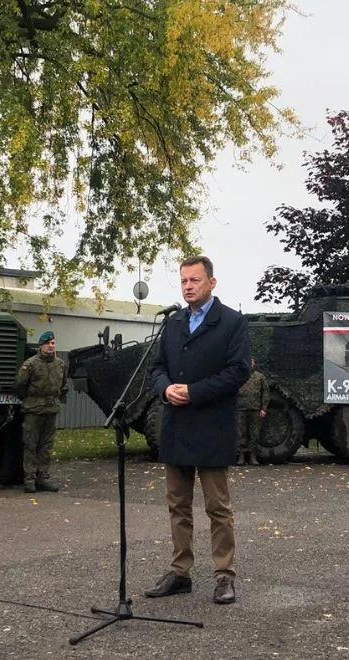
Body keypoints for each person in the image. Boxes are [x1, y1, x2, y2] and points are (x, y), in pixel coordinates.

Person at [145, 255, 250, 605]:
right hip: (176, 426)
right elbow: (157, 367)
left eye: (194, 281)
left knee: (217, 507)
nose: (188, 286)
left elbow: (238, 372)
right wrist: (165, 388)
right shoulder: (173, 324)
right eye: (184, 281)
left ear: (211, 283)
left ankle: (224, 575)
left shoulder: (232, 323)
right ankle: (180, 572)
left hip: (211, 427)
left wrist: (193, 391)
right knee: (178, 505)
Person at [15, 330, 67, 493]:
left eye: (53, 343)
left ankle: (42, 477)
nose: (51, 346)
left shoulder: (60, 364)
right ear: (41, 346)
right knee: (31, 445)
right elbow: (19, 386)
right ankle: (29, 480)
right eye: (48, 344)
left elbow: (63, 385)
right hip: (33, 410)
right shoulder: (30, 364)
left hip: (51, 409)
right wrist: (30, 401)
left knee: (46, 446)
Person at [236, 358, 269, 465]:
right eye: (248, 361)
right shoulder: (239, 376)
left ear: (254, 363)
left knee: (255, 434)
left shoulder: (260, 377)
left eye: (252, 362)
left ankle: (253, 457)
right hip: (241, 409)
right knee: (241, 434)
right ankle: (241, 456)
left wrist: (264, 408)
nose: (250, 363)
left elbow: (266, 393)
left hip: (255, 409)